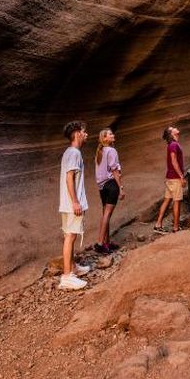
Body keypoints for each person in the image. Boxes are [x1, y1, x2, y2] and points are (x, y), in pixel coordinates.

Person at [57, 120, 93, 290]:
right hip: (72, 204)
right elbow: (69, 178)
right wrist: (75, 202)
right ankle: (67, 277)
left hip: (67, 204)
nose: (86, 134)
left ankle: (72, 268)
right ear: (78, 133)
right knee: (71, 236)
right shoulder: (74, 153)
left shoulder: (69, 152)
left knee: (69, 236)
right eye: (84, 132)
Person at [93, 128, 123, 254]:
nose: (113, 135)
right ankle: (100, 243)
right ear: (104, 138)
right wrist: (120, 187)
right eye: (110, 134)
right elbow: (115, 170)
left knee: (105, 213)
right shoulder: (111, 150)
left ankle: (106, 242)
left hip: (102, 186)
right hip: (111, 185)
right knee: (107, 214)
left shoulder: (100, 151)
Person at [154, 125, 185, 233]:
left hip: (170, 177)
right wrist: (181, 176)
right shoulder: (173, 145)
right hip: (175, 178)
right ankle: (176, 228)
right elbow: (173, 161)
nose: (176, 128)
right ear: (172, 134)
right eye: (173, 128)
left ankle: (158, 225)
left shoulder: (173, 144)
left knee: (167, 200)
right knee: (177, 201)